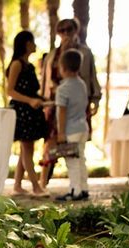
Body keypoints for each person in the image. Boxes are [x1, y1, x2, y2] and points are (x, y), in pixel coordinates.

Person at [40, 18, 101, 187]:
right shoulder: (53, 55)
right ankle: (43, 183)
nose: (66, 33)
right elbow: (45, 80)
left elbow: (91, 77)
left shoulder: (84, 53)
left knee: (76, 153)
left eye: (69, 29)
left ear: (76, 31)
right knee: (50, 144)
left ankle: (78, 189)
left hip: (77, 106)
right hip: (54, 104)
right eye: (62, 30)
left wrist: (95, 98)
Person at [6, 31, 48, 197]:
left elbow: (31, 91)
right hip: (22, 111)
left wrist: (41, 99)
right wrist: (30, 101)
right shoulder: (17, 64)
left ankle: (17, 185)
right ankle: (36, 187)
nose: (35, 44)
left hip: (31, 110)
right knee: (27, 149)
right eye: (32, 41)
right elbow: (10, 91)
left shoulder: (28, 65)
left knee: (26, 150)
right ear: (26, 43)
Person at [54, 49, 90, 202]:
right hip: (83, 127)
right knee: (81, 159)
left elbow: (62, 111)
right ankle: (84, 188)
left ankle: (74, 191)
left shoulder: (63, 88)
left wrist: (61, 132)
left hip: (70, 130)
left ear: (63, 67)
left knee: (72, 162)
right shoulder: (82, 84)